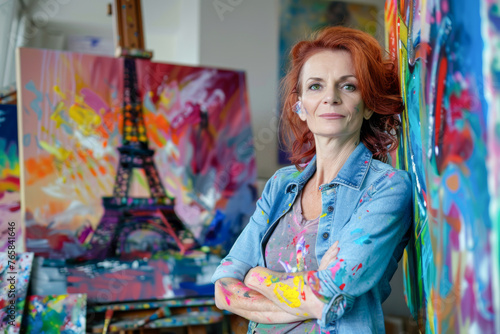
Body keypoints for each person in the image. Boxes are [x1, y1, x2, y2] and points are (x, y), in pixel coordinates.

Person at [211, 26, 412, 334]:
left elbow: (330, 291)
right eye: (316, 86)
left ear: (369, 103)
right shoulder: (280, 184)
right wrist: (310, 297)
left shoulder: (387, 187)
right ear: (300, 105)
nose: (330, 98)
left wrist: (256, 278)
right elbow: (224, 288)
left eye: (348, 87)